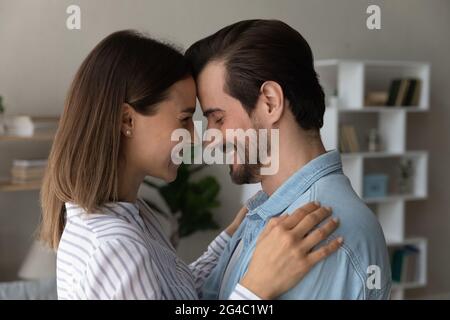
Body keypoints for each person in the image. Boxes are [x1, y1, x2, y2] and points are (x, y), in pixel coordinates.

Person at [39, 30, 342, 300]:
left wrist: (228, 241)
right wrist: (255, 289)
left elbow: (175, 294)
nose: (198, 138)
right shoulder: (113, 247)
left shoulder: (130, 215)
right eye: (184, 119)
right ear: (127, 120)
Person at [185, 19, 391, 299]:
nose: (210, 137)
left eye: (218, 118)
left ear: (270, 102)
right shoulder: (266, 213)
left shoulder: (317, 233)